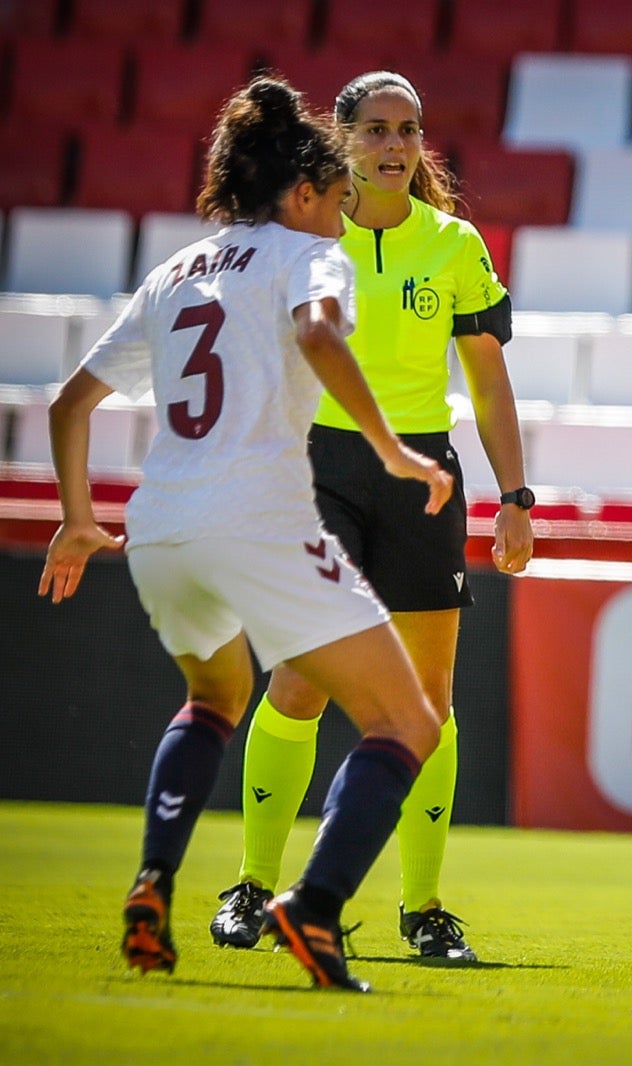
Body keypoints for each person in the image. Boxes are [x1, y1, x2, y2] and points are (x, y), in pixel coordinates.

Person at [38, 76, 456, 992]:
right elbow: (320, 337)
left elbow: (68, 404)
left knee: (215, 697)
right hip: (258, 518)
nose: (345, 217)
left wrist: (76, 520)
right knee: (407, 722)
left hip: (161, 528)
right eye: (338, 199)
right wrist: (392, 449)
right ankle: (314, 907)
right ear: (302, 192)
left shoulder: (176, 270)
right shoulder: (311, 256)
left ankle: (153, 884)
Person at [208, 70, 534, 963]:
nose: (396, 145)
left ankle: (423, 909)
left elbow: (488, 382)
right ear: (343, 139)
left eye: (409, 129)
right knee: (302, 682)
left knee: (428, 702)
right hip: (320, 469)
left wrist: (514, 497)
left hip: (424, 478)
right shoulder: (300, 232)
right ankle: (251, 887)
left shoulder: (455, 244)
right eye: (378, 130)